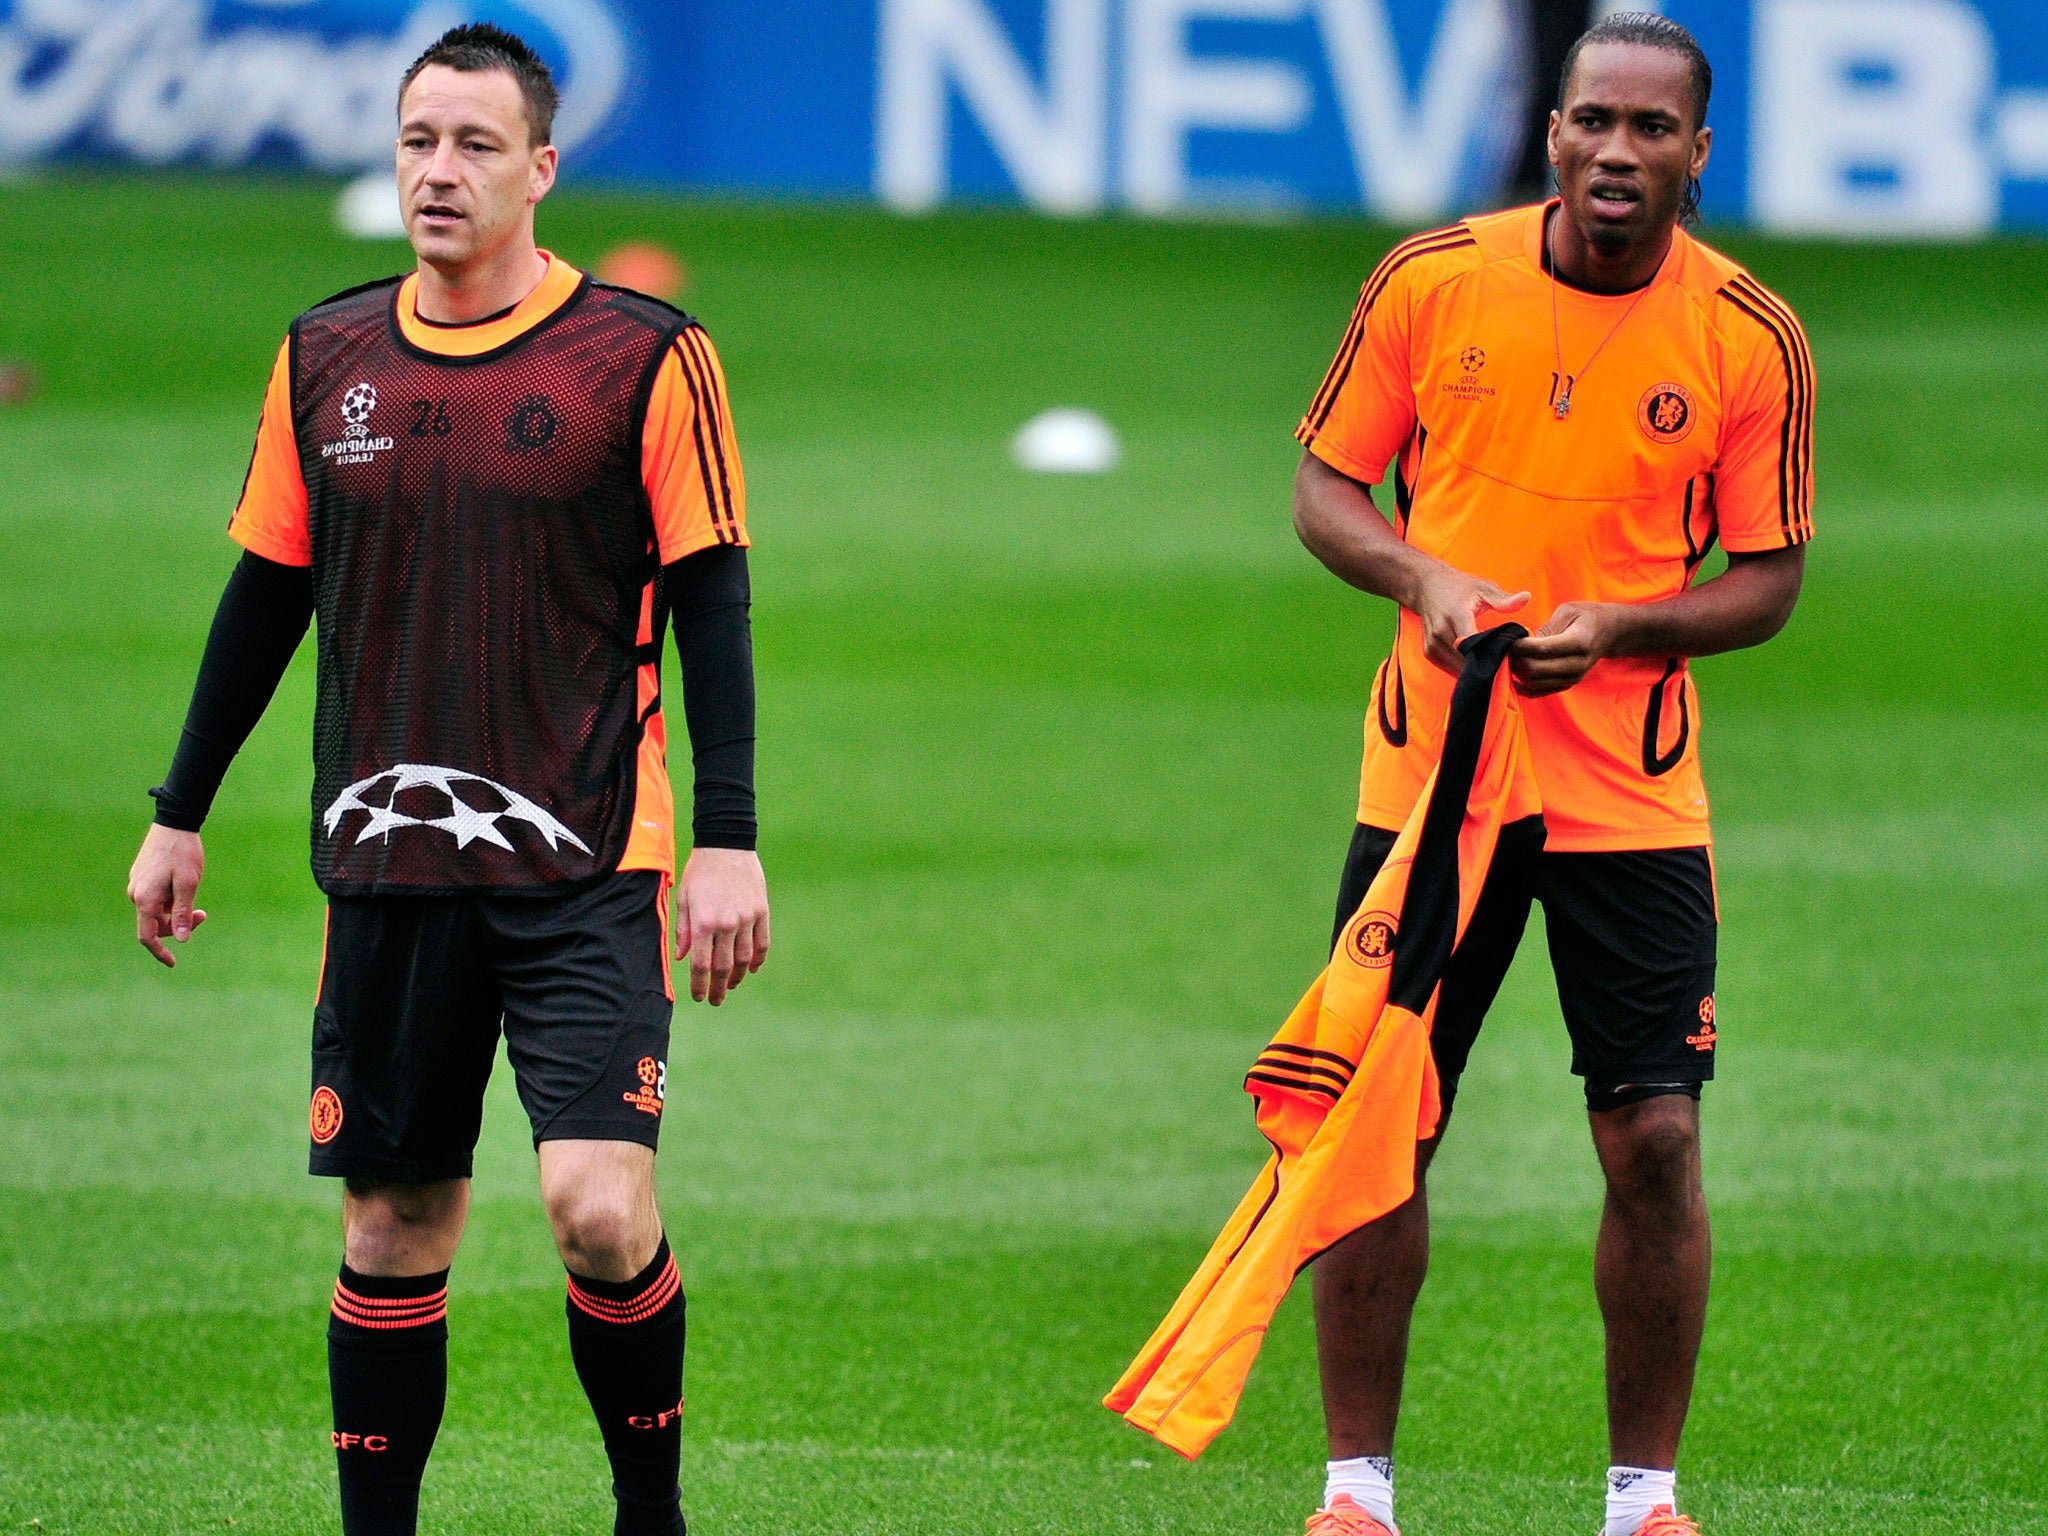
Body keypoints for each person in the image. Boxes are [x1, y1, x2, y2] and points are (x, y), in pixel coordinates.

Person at [124, 24, 768, 1536]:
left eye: (476, 146)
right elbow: (266, 595)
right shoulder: (324, 355)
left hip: (591, 853)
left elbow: (714, 600)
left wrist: (729, 841)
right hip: (388, 859)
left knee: (598, 1211)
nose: (439, 171)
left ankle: (649, 1515)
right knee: (394, 1224)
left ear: (542, 170)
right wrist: (176, 811)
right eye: (419, 139)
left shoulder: (648, 358)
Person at [1290, 14, 1811, 1536]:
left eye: (1654, 131)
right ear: (1554, 134)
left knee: (1652, 1135)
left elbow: (1769, 578)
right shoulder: (1432, 280)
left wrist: (1637, 624)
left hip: (1629, 797)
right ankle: (1355, 1493)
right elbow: (1327, 487)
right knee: (1382, 1121)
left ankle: (1644, 1501)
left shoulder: (1747, 337)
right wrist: (1422, 576)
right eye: (1596, 121)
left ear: (1697, 156)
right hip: (1433, 786)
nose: (1618, 153)